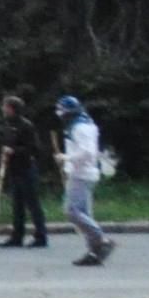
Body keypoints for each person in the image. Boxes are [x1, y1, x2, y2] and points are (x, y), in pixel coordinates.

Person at [0, 89, 53, 249]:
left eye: (5, 106)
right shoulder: (9, 125)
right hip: (14, 170)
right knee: (17, 205)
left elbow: (34, 149)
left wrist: (14, 151)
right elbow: (8, 143)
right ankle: (17, 236)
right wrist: (5, 151)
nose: (3, 109)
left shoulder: (26, 126)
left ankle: (41, 236)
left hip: (26, 169)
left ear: (12, 108)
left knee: (33, 204)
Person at [56, 94, 111, 267]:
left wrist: (67, 158)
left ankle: (100, 239)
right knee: (84, 214)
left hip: (81, 173)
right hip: (83, 172)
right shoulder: (84, 124)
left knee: (71, 210)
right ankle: (94, 251)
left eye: (62, 111)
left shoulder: (80, 127)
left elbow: (87, 152)